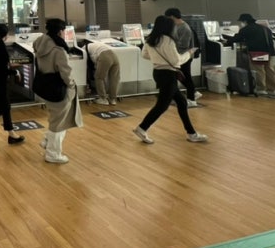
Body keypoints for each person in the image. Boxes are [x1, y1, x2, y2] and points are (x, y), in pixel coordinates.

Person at [133, 16, 208, 145]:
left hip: (158, 72)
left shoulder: (150, 39)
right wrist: (189, 53)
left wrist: (157, 59)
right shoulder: (168, 40)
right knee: (162, 105)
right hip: (168, 74)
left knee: (182, 102)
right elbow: (176, 61)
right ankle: (142, 128)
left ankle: (191, 133)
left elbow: (144, 54)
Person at [32, 18, 82, 164]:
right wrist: (72, 84)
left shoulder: (39, 43)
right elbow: (65, 73)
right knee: (59, 123)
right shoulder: (59, 50)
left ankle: (47, 141)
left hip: (45, 86)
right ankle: (53, 154)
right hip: (59, 89)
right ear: (60, 31)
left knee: (55, 118)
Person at [227, 13, 275, 96]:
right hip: (269, 51)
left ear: (245, 21)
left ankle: (261, 89)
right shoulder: (265, 28)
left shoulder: (246, 29)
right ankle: (273, 89)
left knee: (259, 70)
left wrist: (227, 41)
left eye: (241, 22)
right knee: (269, 70)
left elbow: (236, 39)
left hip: (257, 52)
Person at [164, 8, 202, 107]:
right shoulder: (176, 26)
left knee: (185, 77)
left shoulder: (185, 28)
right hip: (179, 56)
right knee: (179, 76)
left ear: (172, 16)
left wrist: (172, 50)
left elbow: (183, 45)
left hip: (185, 56)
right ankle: (193, 93)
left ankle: (192, 98)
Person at [84, 40, 120, 105]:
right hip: (114, 56)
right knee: (114, 79)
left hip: (104, 56)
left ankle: (103, 99)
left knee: (99, 77)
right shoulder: (95, 45)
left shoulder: (84, 49)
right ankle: (113, 99)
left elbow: (88, 61)